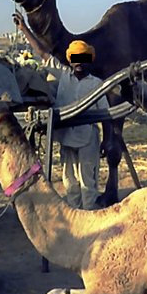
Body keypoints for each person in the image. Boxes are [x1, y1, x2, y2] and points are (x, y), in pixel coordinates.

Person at [54, 40, 109, 209]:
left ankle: (89, 215)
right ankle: (75, 215)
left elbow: (106, 115)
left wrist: (107, 140)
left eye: (82, 58)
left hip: (88, 137)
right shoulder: (63, 79)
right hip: (66, 136)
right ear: (70, 60)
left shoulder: (97, 84)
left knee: (87, 180)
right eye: (75, 58)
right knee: (69, 180)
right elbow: (43, 53)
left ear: (89, 60)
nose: (78, 62)